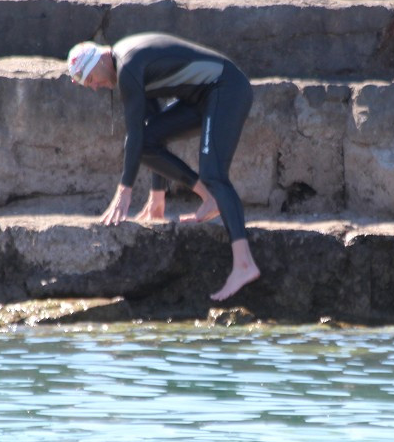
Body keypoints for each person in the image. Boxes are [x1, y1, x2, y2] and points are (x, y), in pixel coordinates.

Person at [67, 32, 260, 302]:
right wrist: (158, 195)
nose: (95, 87)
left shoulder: (128, 67)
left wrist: (125, 190)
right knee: (148, 141)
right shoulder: (127, 65)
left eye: (89, 80)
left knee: (214, 174)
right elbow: (150, 128)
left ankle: (244, 264)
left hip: (226, 89)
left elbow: (132, 133)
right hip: (202, 97)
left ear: (99, 61)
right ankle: (208, 197)